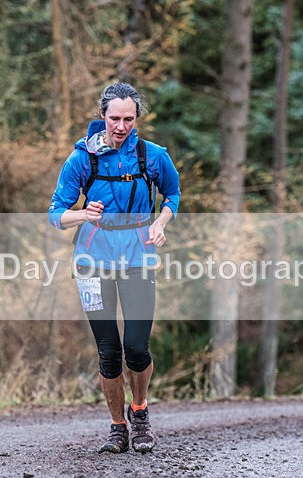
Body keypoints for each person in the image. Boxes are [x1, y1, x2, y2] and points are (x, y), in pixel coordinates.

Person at [48, 82, 181, 453]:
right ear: (102, 115)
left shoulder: (153, 156)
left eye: (128, 119)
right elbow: (56, 214)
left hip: (138, 255)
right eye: (114, 119)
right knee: (108, 351)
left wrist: (160, 223)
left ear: (137, 118)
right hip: (93, 258)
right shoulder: (81, 159)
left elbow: (172, 194)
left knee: (136, 347)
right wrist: (82, 214)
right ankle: (117, 427)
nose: (121, 126)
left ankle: (140, 411)